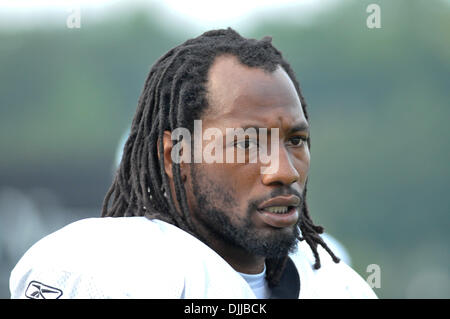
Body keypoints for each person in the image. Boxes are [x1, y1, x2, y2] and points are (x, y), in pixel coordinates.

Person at [10, 28, 377, 299]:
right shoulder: (118, 266)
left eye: (295, 141)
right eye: (246, 143)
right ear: (175, 156)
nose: (284, 171)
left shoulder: (335, 284)